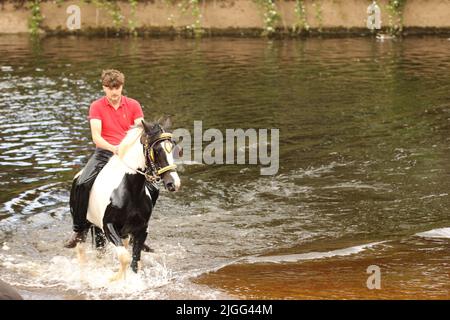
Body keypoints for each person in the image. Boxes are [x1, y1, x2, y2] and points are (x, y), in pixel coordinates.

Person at [64, 69, 144, 248]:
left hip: (128, 153)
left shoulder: (133, 105)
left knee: (151, 186)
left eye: (117, 88)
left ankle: (140, 230)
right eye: (110, 88)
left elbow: (140, 130)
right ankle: (80, 229)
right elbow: (96, 136)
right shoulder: (96, 106)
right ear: (104, 88)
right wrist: (113, 148)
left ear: (122, 87)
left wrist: (128, 148)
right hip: (105, 152)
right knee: (82, 183)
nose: (114, 92)